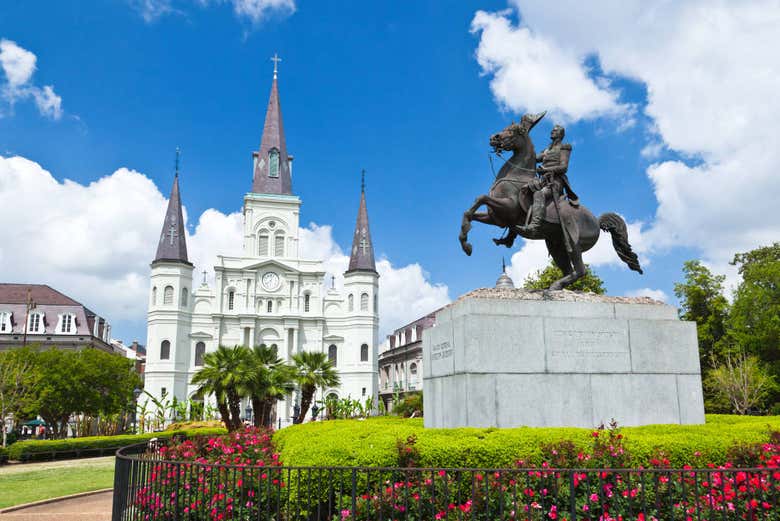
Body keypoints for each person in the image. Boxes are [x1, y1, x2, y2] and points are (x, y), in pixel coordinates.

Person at [516, 124, 579, 238]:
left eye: (555, 131)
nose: (552, 132)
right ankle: (511, 234)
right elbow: (533, 158)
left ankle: (534, 226)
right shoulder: (547, 149)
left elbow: (564, 167)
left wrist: (545, 169)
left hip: (555, 182)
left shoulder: (565, 147)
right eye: (552, 130)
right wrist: (519, 145)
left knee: (539, 194)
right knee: (521, 191)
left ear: (561, 134)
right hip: (542, 180)